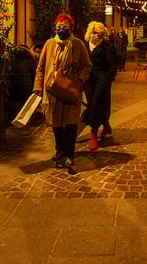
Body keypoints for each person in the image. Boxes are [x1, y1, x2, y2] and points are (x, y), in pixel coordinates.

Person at [33, 13, 92, 169]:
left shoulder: (78, 44)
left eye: (64, 27)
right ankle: (60, 151)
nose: (61, 29)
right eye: (59, 27)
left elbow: (87, 66)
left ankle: (69, 155)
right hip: (52, 91)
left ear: (70, 28)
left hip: (71, 90)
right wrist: (38, 87)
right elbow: (40, 68)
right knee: (56, 125)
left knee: (70, 124)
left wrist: (79, 80)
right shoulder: (49, 44)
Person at [83, 21, 118, 152]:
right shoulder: (85, 46)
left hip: (102, 78)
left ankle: (93, 133)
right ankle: (105, 124)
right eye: (92, 33)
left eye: (97, 33)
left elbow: (113, 65)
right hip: (88, 78)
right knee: (91, 102)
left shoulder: (107, 46)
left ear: (101, 34)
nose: (94, 35)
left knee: (97, 103)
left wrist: (108, 79)